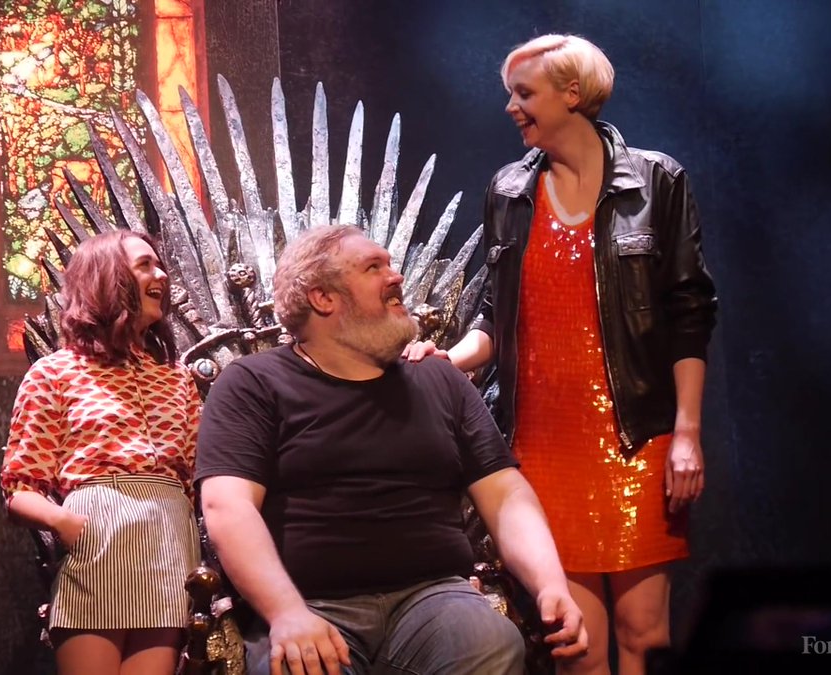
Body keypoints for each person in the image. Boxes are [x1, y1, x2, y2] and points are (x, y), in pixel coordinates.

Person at [406, 34, 718, 675]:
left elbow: (690, 313)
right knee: (576, 645)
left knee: (644, 634)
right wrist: (449, 359)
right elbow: (496, 316)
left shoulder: (655, 180)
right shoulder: (510, 190)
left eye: (524, 93)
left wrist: (687, 433)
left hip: (634, 438)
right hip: (543, 448)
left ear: (572, 94)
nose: (510, 107)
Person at [195, 224, 589, 675]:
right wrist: (286, 612)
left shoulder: (439, 379)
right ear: (322, 298)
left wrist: (549, 584)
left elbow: (505, 493)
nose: (396, 276)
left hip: (433, 596)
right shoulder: (253, 383)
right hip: (309, 603)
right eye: (373, 267)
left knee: (491, 644)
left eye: (390, 263)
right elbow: (227, 506)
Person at [0, 230, 203, 675]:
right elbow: (19, 488)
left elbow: (196, 477)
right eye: (145, 265)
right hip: (99, 538)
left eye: (159, 265)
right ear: (108, 279)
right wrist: (68, 524)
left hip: (168, 542)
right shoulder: (55, 372)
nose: (161, 275)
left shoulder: (177, 378)